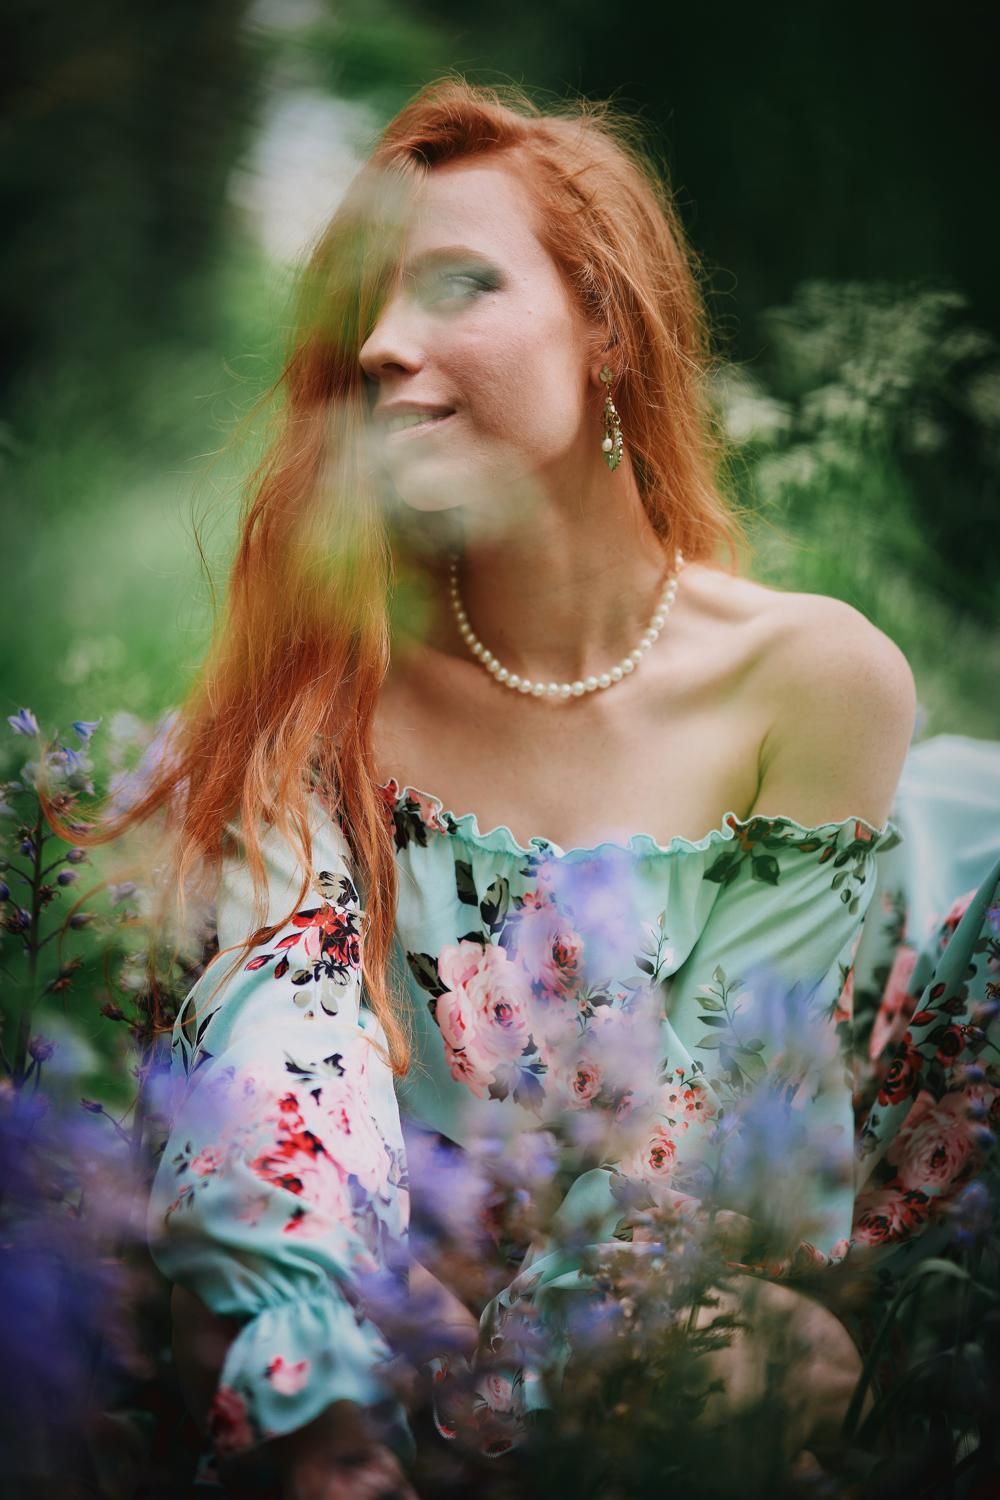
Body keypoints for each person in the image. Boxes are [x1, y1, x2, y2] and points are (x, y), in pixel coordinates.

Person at [124, 80, 999, 1497]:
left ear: (605, 324)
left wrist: (513, 1370)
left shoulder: (811, 678)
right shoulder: (330, 676)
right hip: (400, 1268)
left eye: (456, 284)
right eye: (361, 312)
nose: (381, 344)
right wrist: (331, 1346)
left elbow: (722, 1162)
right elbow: (281, 1060)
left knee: (751, 1356)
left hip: (653, 1272)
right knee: (249, 1319)